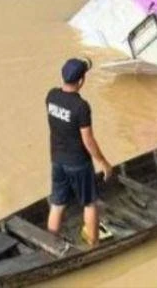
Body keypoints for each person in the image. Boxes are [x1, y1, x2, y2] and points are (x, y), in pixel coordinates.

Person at [46, 57, 114, 247]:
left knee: (57, 204)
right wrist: (104, 162)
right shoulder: (81, 107)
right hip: (78, 163)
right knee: (90, 203)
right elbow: (88, 140)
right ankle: (94, 245)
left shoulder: (51, 96)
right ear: (82, 81)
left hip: (57, 160)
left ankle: (51, 244)